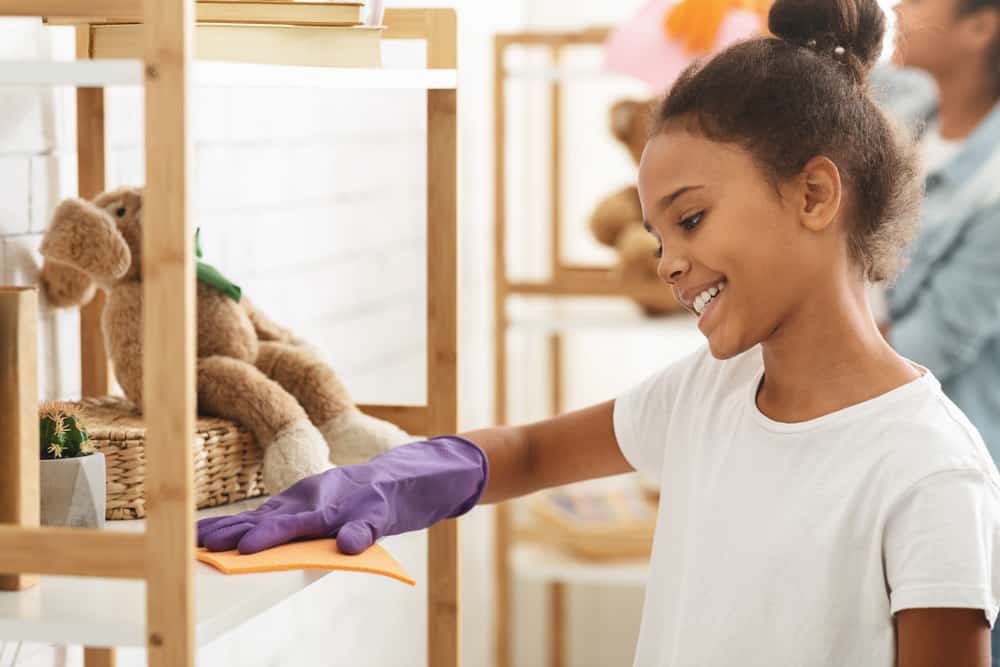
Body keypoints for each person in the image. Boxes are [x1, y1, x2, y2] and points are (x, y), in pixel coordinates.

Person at [197, 0, 1000, 663]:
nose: (669, 264)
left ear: (815, 195)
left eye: (690, 218)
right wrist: (389, 481)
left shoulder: (928, 469)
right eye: (658, 237)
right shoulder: (708, 391)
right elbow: (533, 452)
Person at [874, 0, 1000, 493]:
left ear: (982, 27)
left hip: (942, 463)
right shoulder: (903, 107)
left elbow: (925, 347)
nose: (901, 6)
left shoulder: (992, 187)